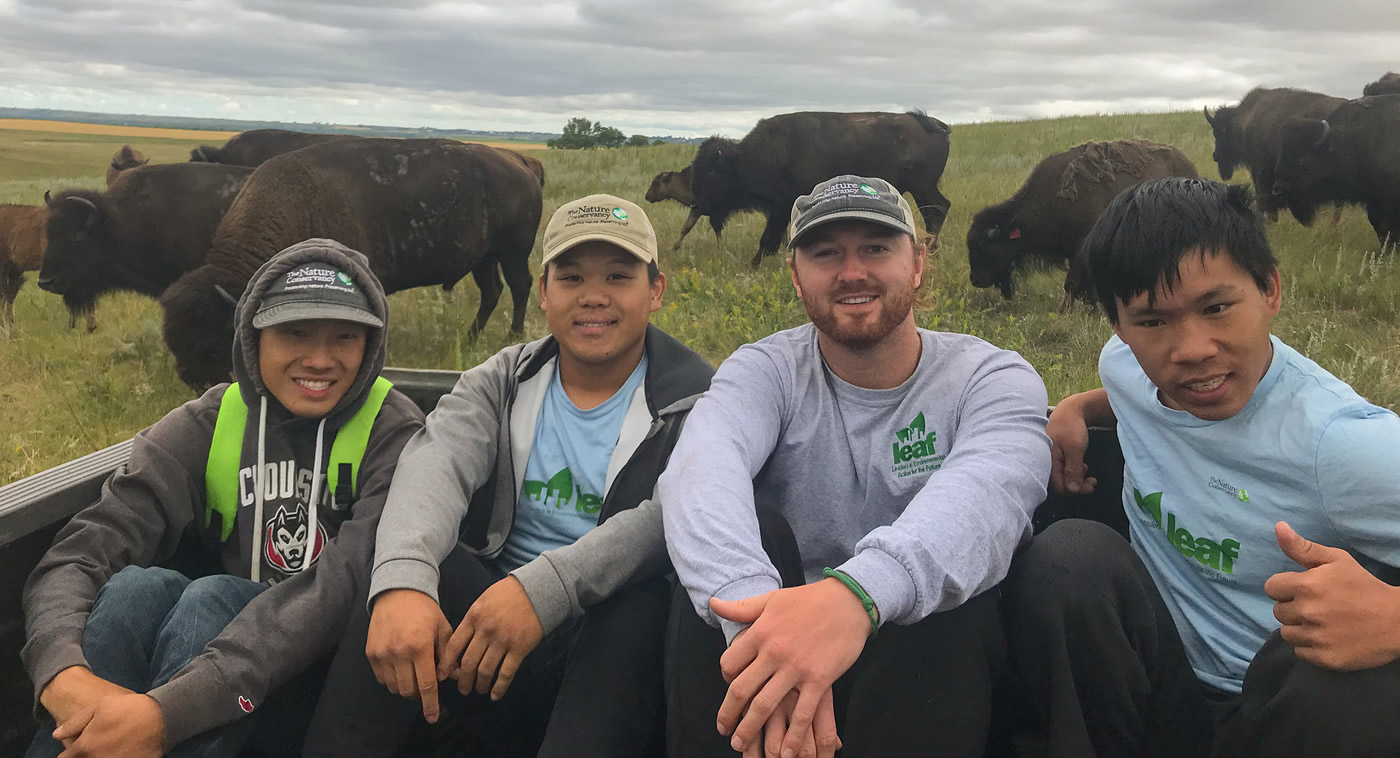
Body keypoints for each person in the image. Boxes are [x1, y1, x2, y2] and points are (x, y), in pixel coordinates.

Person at [302, 195, 713, 757]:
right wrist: (403, 579)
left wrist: (542, 591)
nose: (593, 295)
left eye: (618, 275)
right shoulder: (502, 379)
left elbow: (674, 514)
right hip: (487, 638)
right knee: (415, 573)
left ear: (656, 291)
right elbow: (435, 463)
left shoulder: (696, 399)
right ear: (543, 293)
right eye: (571, 277)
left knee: (636, 607)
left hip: (607, 658)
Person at [1005, 177, 1400, 757]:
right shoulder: (1125, 368)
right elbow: (1132, 389)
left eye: (1216, 308)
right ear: (1118, 325)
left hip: (1283, 711)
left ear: (1270, 290)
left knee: (1345, 680)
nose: (1191, 349)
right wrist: (1077, 407)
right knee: (1070, 557)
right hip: (1166, 684)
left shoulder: (1343, 446)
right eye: (1152, 321)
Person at [660, 175, 1051, 758]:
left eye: (875, 247)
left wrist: (857, 597)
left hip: (932, 678)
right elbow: (701, 468)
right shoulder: (764, 371)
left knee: (947, 581)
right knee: (724, 572)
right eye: (825, 253)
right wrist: (761, 637)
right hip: (778, 647)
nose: (852, 272)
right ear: (796, 277)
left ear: (917, 263)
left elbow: (990, 491)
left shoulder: (990, 377)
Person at [21, 238, 425, 757]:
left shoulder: (394, 434)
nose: (320, 359)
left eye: (345, 337)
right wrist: (63, 673)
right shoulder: (211, 422)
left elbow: (337, 591)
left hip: (320, 678)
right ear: (253, 337)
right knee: (134, 591)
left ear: (370, 346)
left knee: (210, 598)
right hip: (209, 668)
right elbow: (81, 551)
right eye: (294, 333)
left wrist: (165, 716)